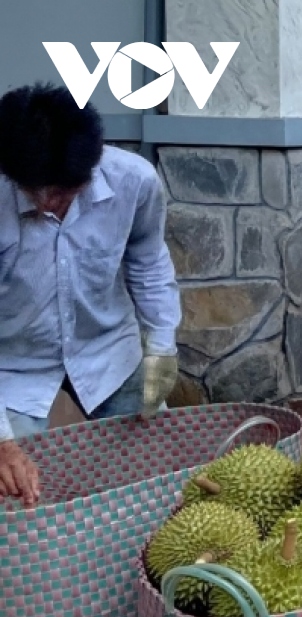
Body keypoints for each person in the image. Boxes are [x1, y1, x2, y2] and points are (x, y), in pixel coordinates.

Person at [0, 83, 181, 508]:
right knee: (16, 495)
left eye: (64, 194)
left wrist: (161, 347)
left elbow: (149, 262)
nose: (50, 204)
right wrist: (3, 443)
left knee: (166, 472)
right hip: (12, 364)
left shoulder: (134, 181)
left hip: (106, 350)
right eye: (37, 192)